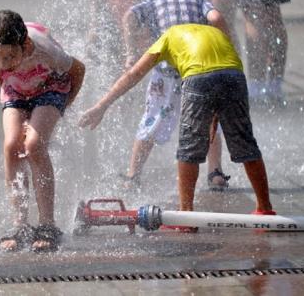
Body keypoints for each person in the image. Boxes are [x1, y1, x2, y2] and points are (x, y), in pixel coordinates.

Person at [79, 23, 275, 219]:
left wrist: (102, 106)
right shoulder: (213, 32)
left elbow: (134, 74)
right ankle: (265, 208)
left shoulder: (167, 37)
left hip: (198, 78)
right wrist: (215, 115)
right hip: (235, 77)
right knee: (245, 144)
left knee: (188, 150)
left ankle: (186, 214)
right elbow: (221, 72)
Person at [0, 10, 85, 252]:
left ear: (25, 45)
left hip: (51, 88)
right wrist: (20, 103)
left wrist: (62, 107)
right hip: (17, 91)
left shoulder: (46, 51)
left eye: (10, 56)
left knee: (34, 145)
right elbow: (0, 76)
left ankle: (48, 224)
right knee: (11, 146)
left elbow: (79, 71)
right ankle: (20, 225)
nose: (3, 64)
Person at [121, 0, 231, 193]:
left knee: (152, 119)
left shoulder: (152, 2)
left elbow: (129, 16)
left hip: (167, 74)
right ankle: (215, 173)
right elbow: (217, 17)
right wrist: (224, 47)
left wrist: (131, 53)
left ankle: (133, 176)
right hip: (198, 69)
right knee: (209, 118)